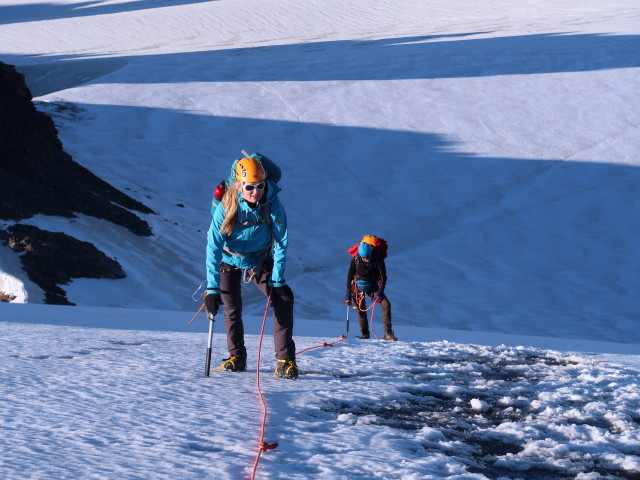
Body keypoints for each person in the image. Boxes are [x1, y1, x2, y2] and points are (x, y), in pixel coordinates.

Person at [204, 156, 298, 379]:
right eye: (250, 187)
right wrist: (211, 289)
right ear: (239, 185)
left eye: (260, 186)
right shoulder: (227, 206)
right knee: (231, 307)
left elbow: (282, 242)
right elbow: (213, 248)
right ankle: (237, 357)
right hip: (229, 261)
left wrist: (278, 280)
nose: (256, 192)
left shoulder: (273, 204)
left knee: (283, 300)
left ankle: (285, 361)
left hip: (259, 261)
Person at [344, 241, 397, 340]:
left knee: (386, 305)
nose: (366, 259)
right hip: (357, 286)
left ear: (371, 253)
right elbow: (350, 277)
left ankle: (387, 333)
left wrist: (380, 293)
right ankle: (365, 334)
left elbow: (383, 277)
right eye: (364, 257)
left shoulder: (378, 259)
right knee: (361, 309)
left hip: (373, 286)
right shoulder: (355, 260)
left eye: (367, 256)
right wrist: (348, 295)